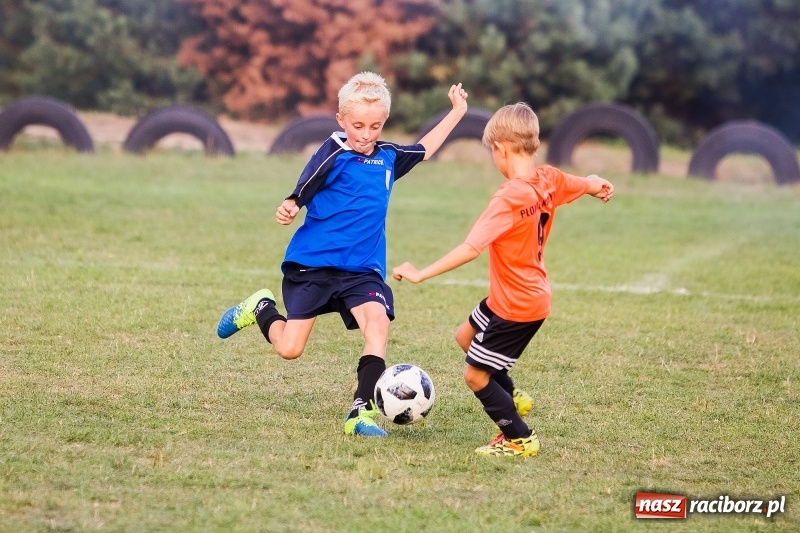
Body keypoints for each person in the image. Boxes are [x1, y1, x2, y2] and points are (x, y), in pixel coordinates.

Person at [217, 72, 469, 438]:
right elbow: (309, 179)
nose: (366, 134)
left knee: (377, 325)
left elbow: (425, 148)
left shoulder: (387, 157)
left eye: (375, 126)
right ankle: (261, 308)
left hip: (362, 271)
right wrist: (292, 203)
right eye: (358, 126)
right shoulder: (334, 150)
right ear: (341, 121)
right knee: (289, 349)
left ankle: (359, 412)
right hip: (312, 267)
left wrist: (457, 112)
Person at [392, 102, 613, 457]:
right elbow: (582, 183)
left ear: (501, 149)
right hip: (514, 296)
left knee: (475, 376)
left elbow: (470, 248)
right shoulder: (548, 179)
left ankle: (519, 438)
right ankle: (510, 396)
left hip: (518, 305)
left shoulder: (509, 197)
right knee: (465, 335)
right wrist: (596, 184)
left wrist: (421, 273)